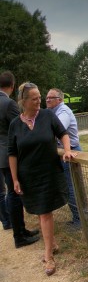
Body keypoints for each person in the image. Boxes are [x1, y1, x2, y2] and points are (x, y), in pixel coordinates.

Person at [9, 83, 76, 276]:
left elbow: (63, 134)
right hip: (28, 176)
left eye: (40, 97)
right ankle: (52, 244)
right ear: (24, 101)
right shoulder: (15, 124)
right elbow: (12, 153)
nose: (40, 101)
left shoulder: (47, 116)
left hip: (48, 173)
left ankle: (48, 255)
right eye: (35, 98)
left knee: (45, 213)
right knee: (40, 211)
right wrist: (14, 179)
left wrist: (68, 150)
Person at [0, 72, 40, 247]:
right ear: (13, 85)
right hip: (8, 155)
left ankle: (21, 230)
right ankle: (19, 236)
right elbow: (21, 124)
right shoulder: (8, 104)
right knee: (15, 194)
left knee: (10, 193)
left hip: (1, 156)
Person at [46, 88, 81, 226]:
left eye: (51, 97)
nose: (47, 100)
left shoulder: (63, 112)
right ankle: (77, 218)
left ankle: (79, 221)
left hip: (70, 152)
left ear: (59, 100)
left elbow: (57, 130)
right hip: (61, 152)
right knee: (66, 186)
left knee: (70, 187)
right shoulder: (52, 112)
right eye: (47, 98)